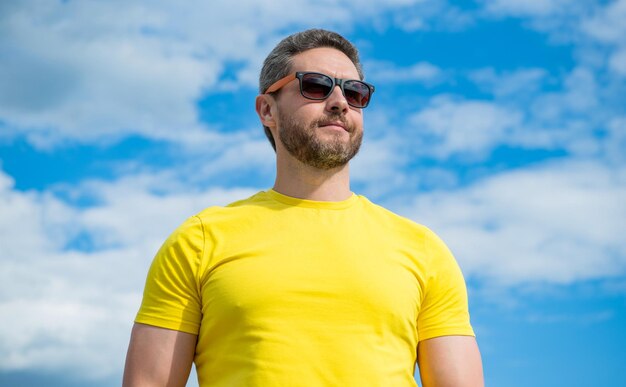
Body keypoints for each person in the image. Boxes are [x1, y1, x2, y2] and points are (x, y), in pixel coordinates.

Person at [123, 29, 484, 387]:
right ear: (267, 109)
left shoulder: (423, 249)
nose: (340, 102)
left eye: (355, 92)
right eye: (316, 86)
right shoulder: (199, 241)